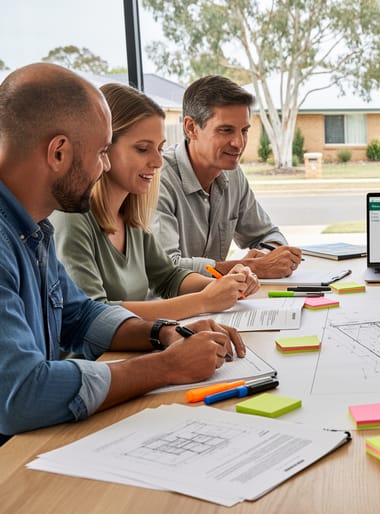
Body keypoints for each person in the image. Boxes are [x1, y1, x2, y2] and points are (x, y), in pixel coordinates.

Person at [0, 63, 245, 440]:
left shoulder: (34, 230)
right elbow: (21, 394)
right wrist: (166, 367)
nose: (104, 167)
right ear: (59, 153)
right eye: (101, 152)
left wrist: (165, 333)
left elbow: (80, 314)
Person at [51, 83, 260, 320]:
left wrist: (226, 284)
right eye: (142, 149)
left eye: (160, 149)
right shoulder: (71, 220)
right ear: (103, 148)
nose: (158, 162)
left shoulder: (130, 217)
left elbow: (169, 277)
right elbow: (93, 314)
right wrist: (204, 301)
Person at [153, 75, 302, 279]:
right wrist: (252, 267)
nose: (239, 143)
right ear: (191, 128)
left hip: (220, 298)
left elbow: (267, 234)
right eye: (226, 130)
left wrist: (271, 255)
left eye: (244, 131)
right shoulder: (158, 180)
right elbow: (165, 269)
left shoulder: (232, 174)